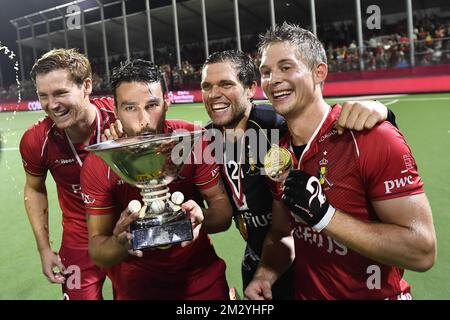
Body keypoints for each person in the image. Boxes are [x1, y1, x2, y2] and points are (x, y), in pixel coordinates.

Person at [245, 23, 436, 300]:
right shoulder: (278, 155)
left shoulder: (371, 137)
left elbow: (422, 251)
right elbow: (281, 232)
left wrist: (325, 217)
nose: (273, 80)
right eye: (266, 72)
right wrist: (265, 274)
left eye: (286, 67)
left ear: (318, 72)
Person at [200, 50, 397, 299]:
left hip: (300, 260)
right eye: (206, 86)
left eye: (225, 84)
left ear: (251, 88)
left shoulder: (277, 126)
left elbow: (325, 130)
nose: (214, 93)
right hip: (257, 259)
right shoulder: (206, 141)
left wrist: (382, 112)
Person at [80, 59, 233, 300]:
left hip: (200, 279)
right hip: (137, 286)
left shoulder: (192, 139)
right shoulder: (100, 162)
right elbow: (98, 250)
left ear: (167, 102)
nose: (144, 120)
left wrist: (199, 218)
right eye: (130, 108)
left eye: (152, 105)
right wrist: (122, 242)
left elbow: (223, 212)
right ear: (116, 110)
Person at [19, 48, 114, 299]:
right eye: (43, 96)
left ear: (87, 86)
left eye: (60, 93)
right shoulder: (36, 140)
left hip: (127, 229)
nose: (52, 105)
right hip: (79, 238)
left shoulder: (120, 120)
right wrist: (44, 248)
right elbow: (34, 188)